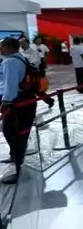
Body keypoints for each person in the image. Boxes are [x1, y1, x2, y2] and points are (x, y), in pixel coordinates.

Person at [0, 38, 38, 185]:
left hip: (17, 103)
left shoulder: (10, 62)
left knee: (12, 132)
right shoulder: (21, 58)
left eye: (1, 46)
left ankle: (18, 167)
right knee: (17, 132)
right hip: (26, 101)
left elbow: (10, 85)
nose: (0, 49)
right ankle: (15, 156)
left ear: (9, 47)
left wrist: (6, 103)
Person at [20, 37, 54, 108]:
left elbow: (35, 63)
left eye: (23, 43)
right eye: (20, 43)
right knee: (31, 92)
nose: (21, 44)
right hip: (22, 75)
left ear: (27, 43)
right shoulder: (20, 53)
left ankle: (48, 101)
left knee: (35, 91)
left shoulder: (34, 53)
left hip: (32, 75)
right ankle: (49, 100)